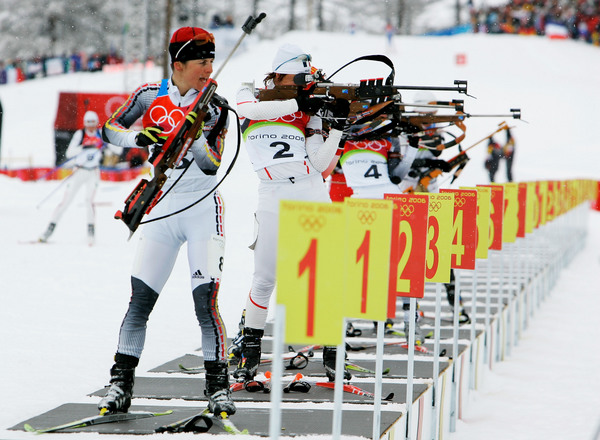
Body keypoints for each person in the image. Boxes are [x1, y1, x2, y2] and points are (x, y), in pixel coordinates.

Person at [98, 27, 235, 416]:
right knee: (140, 301)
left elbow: (212, 166)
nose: (208, 68)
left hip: (202, 208)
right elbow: (110, 129)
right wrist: (141, 138)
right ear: (177, 64)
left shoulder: (216, 105)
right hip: (161, 207)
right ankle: (120, 384)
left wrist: (193, 135)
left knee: (205, 303)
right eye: (201, 62)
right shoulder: (148, 95)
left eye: (211, 60)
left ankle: (218, 387)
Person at [232, 43, 351, 382]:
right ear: (279, 73)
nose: (303, 84)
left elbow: (319, 164)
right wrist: (299, 102)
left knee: (325, 277)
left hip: (311, 191)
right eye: (298, 78)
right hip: (272, 193)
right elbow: (246, 109)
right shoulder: (250, 94)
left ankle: (333, 353)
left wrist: (338, 129)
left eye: (306, 79)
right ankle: (250, 353)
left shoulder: (308, 111)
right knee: (265, 277)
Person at [338, 133, 427, 344]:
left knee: (401, 265)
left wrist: (412, 149)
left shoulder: (388, 135)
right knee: (363, 266)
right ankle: (348, 324)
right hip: (366, 204)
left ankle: (409, 324)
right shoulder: (343, 130)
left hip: (380, 202)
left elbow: (397, 175)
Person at [396, 91, 470, 324]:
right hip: (408, 198)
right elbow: (400, 165)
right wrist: (427, 162)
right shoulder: (404, 132)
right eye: (427, 115)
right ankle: (398, 316)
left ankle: (456, 307)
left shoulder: (433, 134)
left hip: (431, 197)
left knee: (442, 254)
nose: (431, 120)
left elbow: (437, 150)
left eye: (434, 115)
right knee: (404, 258)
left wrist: (445, 164)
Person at [38, 110, 105, 246]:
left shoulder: (100, 134)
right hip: (79, 171)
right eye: (88, 123)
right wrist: (85, 146)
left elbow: (117, 150)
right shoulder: (80, 134)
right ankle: (49, 230)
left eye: (93, 123)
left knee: (89, 201)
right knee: (66, 201)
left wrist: (106, 143)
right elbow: (69, 153)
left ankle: (91, 234)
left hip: (93, 172)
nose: (90, 126)